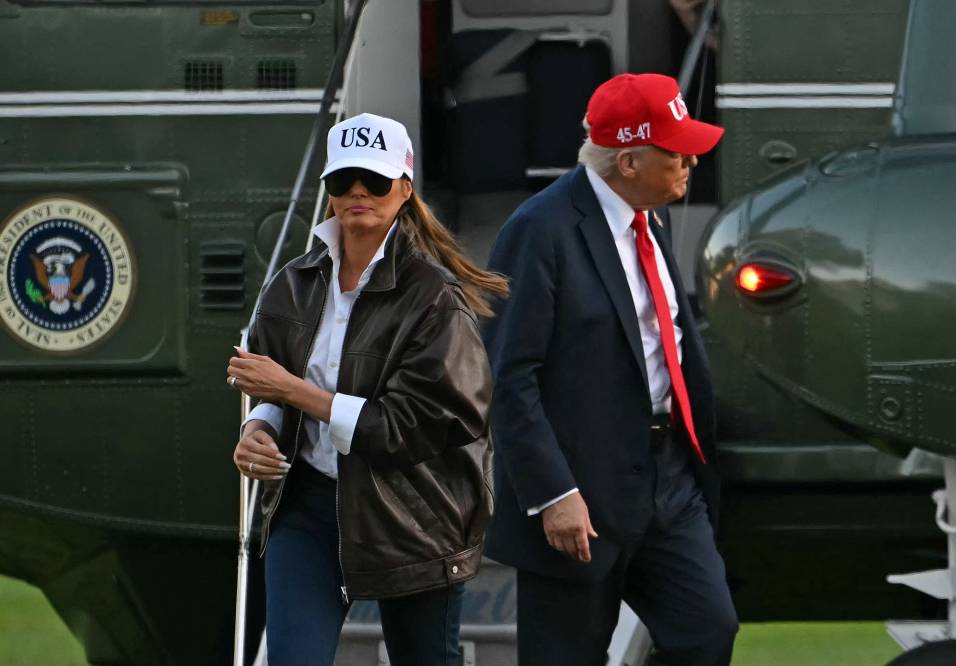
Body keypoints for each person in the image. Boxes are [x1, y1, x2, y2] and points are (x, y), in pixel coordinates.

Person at [227, 112, 507, 666]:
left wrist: (294, 392)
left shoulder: (435, 298)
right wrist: (258, 427)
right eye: (343, 180)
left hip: (417, 511)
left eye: (375, 181)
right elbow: (268, 385)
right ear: (328, 191)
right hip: (307, 509)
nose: (358, 192)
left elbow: (414, 427)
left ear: (404, 190)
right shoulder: (293, 283)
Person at [482, 73, 738, 666]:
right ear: (628, 160)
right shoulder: (538, 230)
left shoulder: (652, 214)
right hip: (580, 491)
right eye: (676, 152)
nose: (690, 164)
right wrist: (554, 494)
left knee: (708, 630)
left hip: (667, 477)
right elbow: (508, 376)